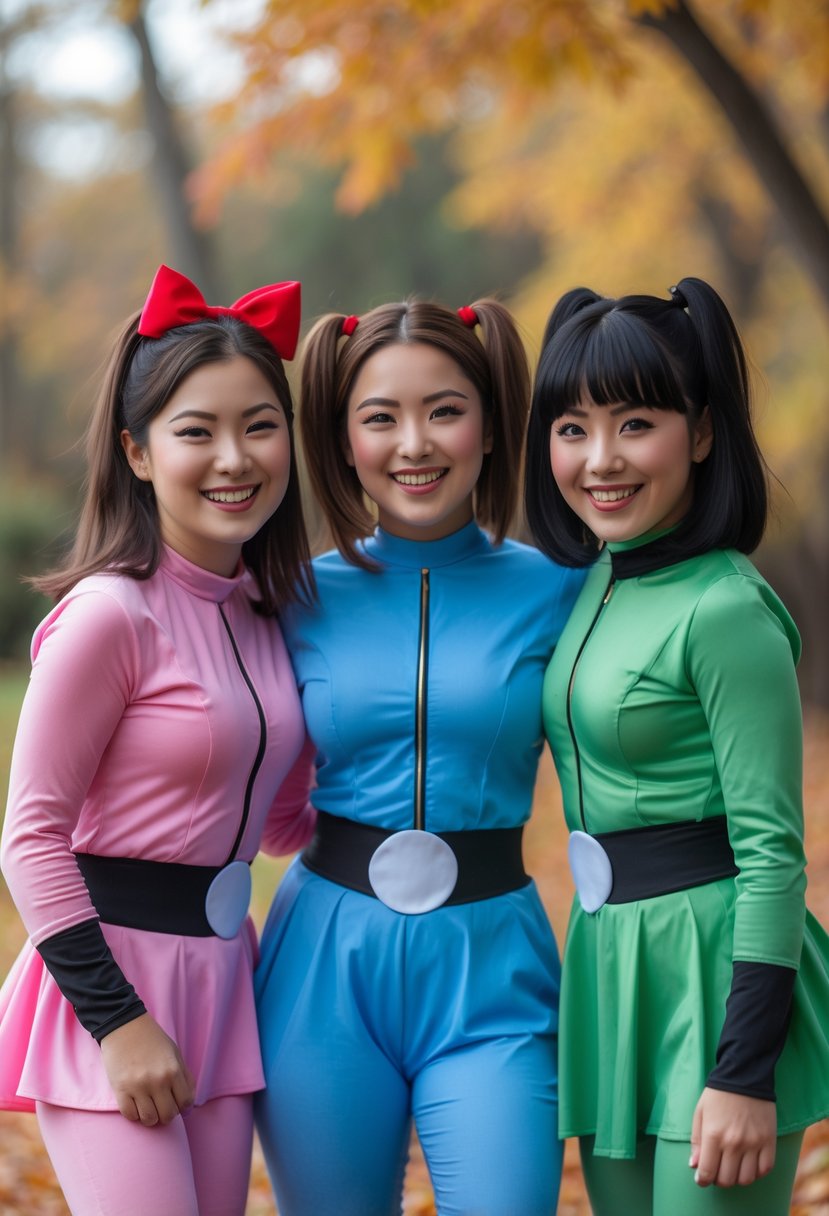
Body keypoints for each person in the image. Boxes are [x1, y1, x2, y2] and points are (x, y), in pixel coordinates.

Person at [253, 297, 586, 1216]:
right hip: (323, 971)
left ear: (489, 424)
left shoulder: (562, 589)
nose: (414, 443)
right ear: (343, 437)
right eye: (379, 417)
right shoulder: (288, 594)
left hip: (492, 971)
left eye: (444, 409)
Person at [0, 264, 317, 1216]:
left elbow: (279, 827)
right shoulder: (108, 616)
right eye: (197, 432)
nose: (234, 457)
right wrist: (118, 1022)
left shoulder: (272, 616)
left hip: (223, 984)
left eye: (260, 425)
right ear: (139, 454)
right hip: (110, 991)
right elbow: (30, 836)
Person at [524, 276, 829, 1215]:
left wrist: (742, 1071)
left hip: (715, 972)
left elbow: (773, 854)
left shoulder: (725, 606)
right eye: (571, 428)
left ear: (700, 433)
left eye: (633, 423)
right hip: (613, 967)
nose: (598, 459)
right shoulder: (591, 583)